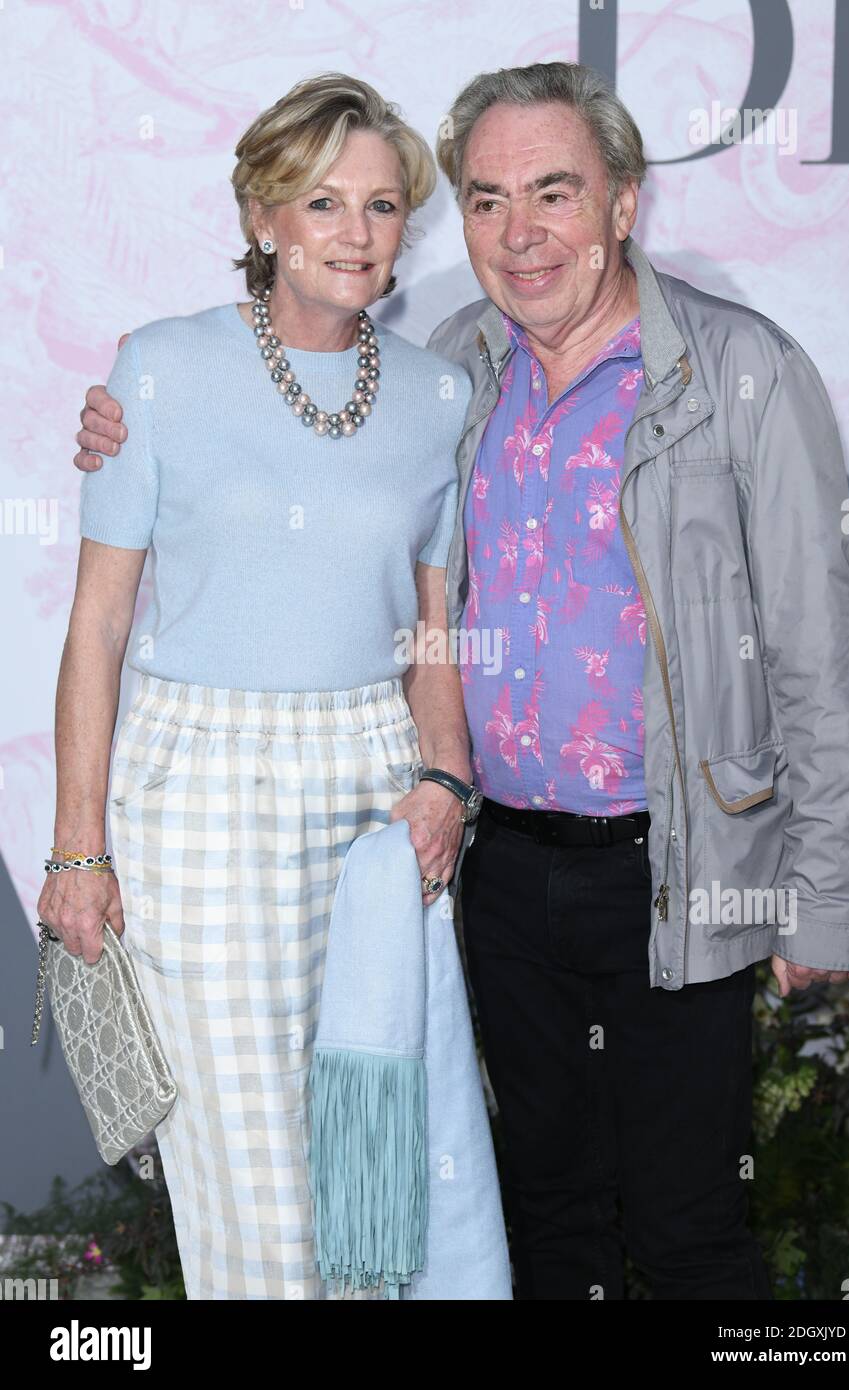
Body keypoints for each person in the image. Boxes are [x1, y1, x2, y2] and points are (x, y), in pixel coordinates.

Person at [75, 62, 849, 1302]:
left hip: (679, 869)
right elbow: (395, 576)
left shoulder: (740, 373)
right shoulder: (457, 373)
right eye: (489, 198)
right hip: (493, 872)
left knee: (686, 1236)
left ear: (622, 204)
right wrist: (128, 415)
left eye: (553, 192)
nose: (520, 232)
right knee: (538, 1224)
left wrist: (826, 899)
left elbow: (823, 650)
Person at [43, 72, 479, 1301]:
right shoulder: (158, 371)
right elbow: (98, 625)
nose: (355, 232)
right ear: (262, 218)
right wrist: (79, 847)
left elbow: (433, 632)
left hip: (376, 793)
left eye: (382, 205)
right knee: (246, 1167)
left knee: (365, 1149)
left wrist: (446, 778)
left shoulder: (441, 397)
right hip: (199, 788)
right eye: (322, 202)